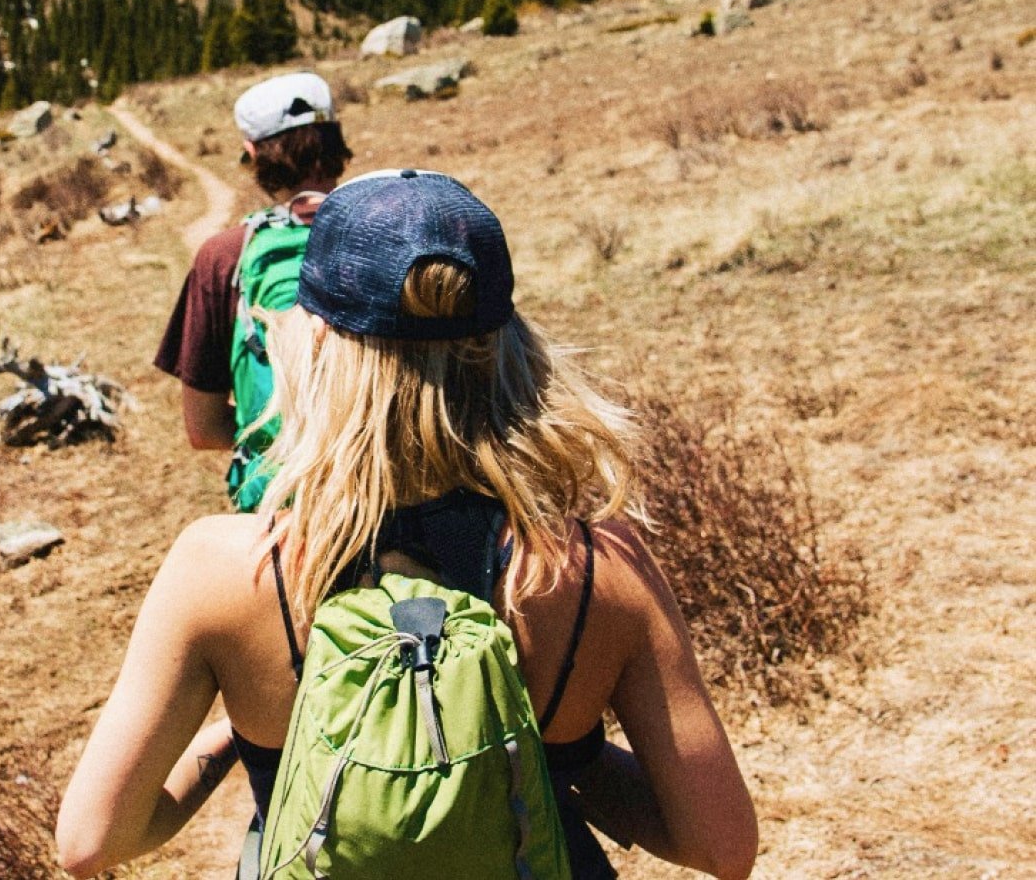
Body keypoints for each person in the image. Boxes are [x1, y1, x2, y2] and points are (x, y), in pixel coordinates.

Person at [60, 171, 758, 879]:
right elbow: (721, 846)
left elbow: (91, 842)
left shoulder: (222, 569)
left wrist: (235, 741)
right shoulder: (592, 568)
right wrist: (562, 752)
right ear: (510, 345)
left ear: (316, 345)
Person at [154, 70, 352, 507]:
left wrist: (278, 438)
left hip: (285, 507)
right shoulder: (396, 230)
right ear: (336, 141)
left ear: (252, 154)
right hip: (397, 500)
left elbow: (203, 429)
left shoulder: (226, 255)